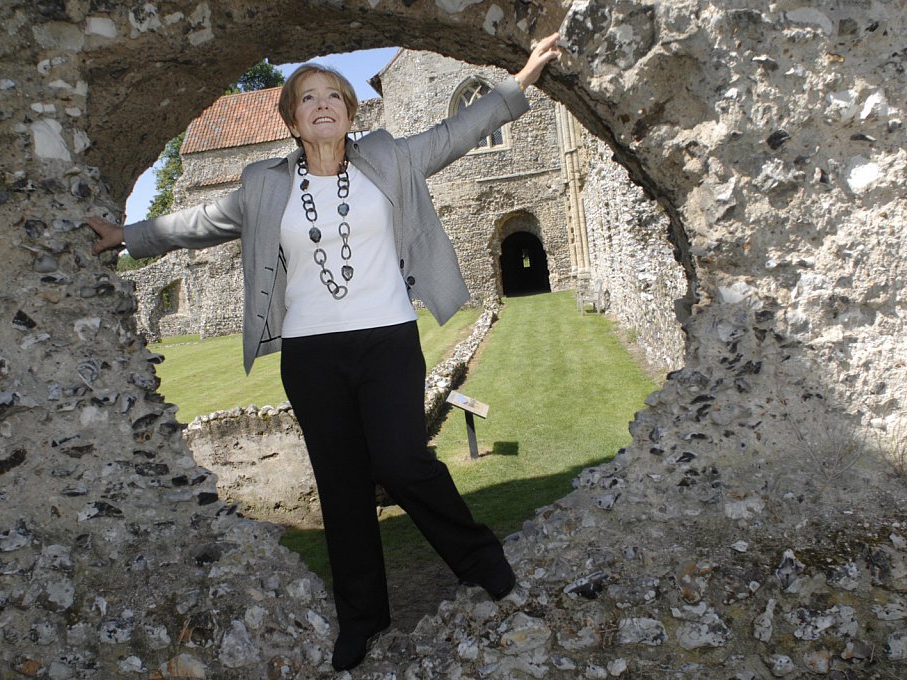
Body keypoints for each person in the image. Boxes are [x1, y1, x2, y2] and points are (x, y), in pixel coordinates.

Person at [87, 34, 562, 671]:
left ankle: (482, 564)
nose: (321, 104)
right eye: (306, 97)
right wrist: (126, 235)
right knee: (339, 487)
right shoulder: (263, 184)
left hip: (388, 339)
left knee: (401, 461)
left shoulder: (390, 159)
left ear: (349, 112)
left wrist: (523, 77)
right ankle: (362, 620)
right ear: (290, 119)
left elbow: (460, 130)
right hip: (309, 354)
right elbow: (197, 222)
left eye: (333, 95)